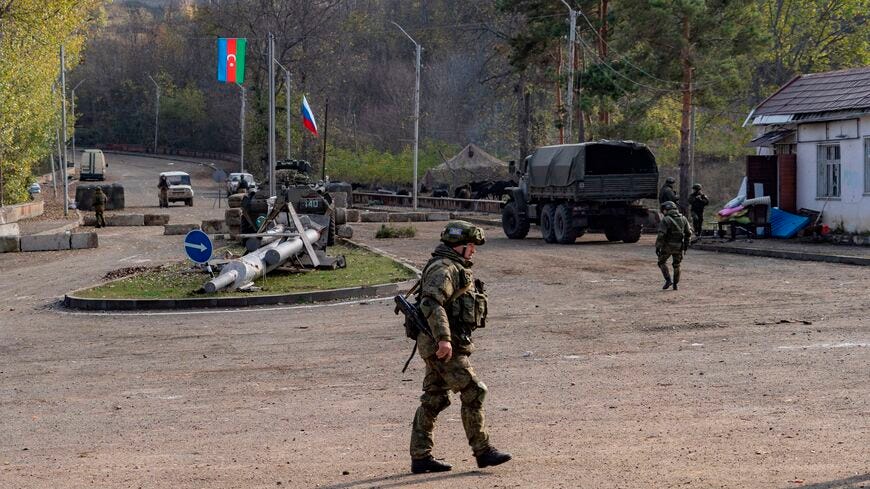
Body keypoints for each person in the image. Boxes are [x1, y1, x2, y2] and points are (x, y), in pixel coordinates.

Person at [409, 221, 512, 474]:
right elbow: (431, 302)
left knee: (434, 399)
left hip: (443, 344)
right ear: (460, 246)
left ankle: (420, 457)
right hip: (443, 345)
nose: (474, 251)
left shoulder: (454, 266)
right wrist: (444, 339)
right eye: (471, 246)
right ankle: (483, 451)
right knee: (474, 390)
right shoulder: (444, 269)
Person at [656, 201, 692, 290]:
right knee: (677, 265)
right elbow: (688, 233)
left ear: (666, 210)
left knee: (661, 262)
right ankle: (676, 284)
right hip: (679, 246)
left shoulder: (666, 220)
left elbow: (661, 235)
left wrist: (658, 246)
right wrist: (686, 245)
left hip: (667, 246)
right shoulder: (683, 218)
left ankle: (668, 280)